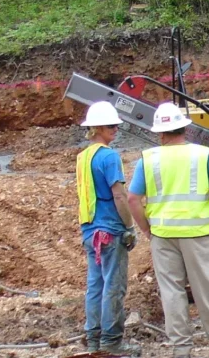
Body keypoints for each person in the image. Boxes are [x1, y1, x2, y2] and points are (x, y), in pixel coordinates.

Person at [126, 102, 209, 358]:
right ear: (184, 129)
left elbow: (133, 199)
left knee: (172, 292)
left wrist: (147, 229)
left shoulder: (149, 158)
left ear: (161, 133)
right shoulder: (203, 155)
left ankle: (181, 348)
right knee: (208, 289)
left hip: (164, 236)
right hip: (199, 234)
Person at [76, 101, 138, 354]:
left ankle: (94, 340)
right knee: (113, 285)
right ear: (98, 128)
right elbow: (119, 195)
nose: (116, 129)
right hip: (110, 231)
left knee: (95, 285)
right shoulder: (109, 156)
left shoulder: (83, 157)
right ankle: (111, 343)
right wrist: (129, 226)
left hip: (90, 231)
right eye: (111, 125)